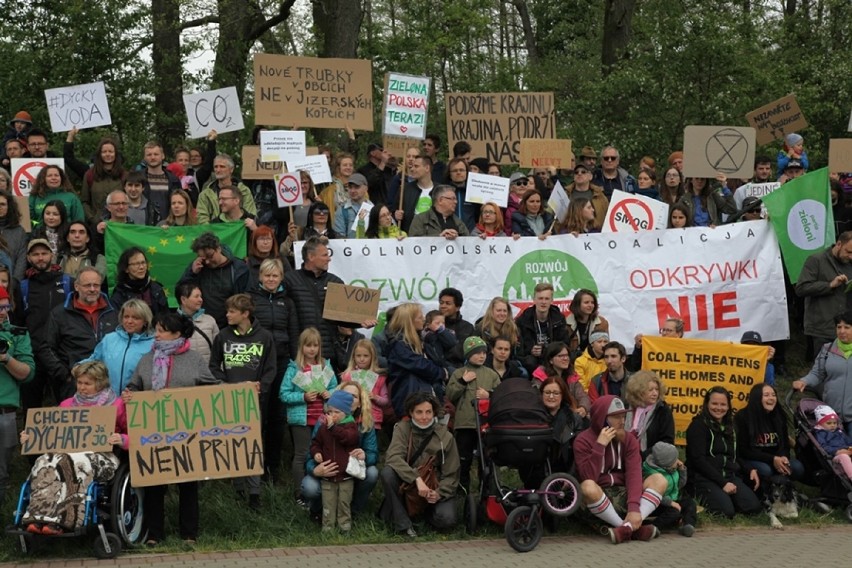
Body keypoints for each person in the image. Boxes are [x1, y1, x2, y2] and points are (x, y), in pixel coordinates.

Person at [124, 311, 218, 546]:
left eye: (161, 330)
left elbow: (213, 388)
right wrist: (129, 394)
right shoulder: (147, 359)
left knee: (188, 484)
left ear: (176, 333)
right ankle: (155, 534)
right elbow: (134, 385)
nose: (156, 334)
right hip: (153, 432)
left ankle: (189, 533)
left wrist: (242, 389)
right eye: (156, 329)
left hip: (187, 433)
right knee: (155, 485)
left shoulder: (195, 359)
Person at [19, 361, 125, 535]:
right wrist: (31, 437)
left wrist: (120, 438)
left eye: (87, 384)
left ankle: (65, 519)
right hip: (67, 453)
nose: (82, 387)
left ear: (100, 383)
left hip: (102, 456)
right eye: (80, 383)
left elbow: (132, 434)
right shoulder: (67, 405)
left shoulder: (117, 405)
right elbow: (51, 434)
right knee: (45, 461)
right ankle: (37, 516)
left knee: (75, 462)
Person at [209, 293, 277, 509]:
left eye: (232, 311)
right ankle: (238, 489)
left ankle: (254, 492)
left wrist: (261, 386)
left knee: (253, 443)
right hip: (230, 398)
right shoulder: (222, 337)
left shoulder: (264, 337)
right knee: (233, 441)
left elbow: (270, 368)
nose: (227, 315)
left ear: (245, 314)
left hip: (254, 400)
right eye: (227, 310)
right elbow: (213, 366)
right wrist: (224, 384)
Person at [574, 395, 665, 543]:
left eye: (624, 416)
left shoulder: (629, 439)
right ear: (602, 418)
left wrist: (634, 508)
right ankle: (631, 529)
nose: (622, 421)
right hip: (598, 496)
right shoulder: (583, 440)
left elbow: (634, 474)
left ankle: (627, 528)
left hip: (623, 492)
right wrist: (599, 446)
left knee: (659, 480)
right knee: (587, 486)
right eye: (616, 417)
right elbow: (588, 477)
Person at [379, 391, 459, 537]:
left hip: (434, 486)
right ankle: (404, 525)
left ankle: (423, 514)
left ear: (434, 413)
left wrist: (439, 493)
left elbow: (452, 473)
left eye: (428, 412)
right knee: (387, 472)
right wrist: (416, 479)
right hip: (409, 485)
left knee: (446, 520)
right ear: (411, 413)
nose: (424, 417)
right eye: (419, 412)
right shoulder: (402, 428)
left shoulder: (446, 436)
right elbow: (393, 457)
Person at [283, 237, 373, 362]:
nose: (329, 258)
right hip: (300, 355)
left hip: (329, 355)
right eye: (325, 255)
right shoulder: (290, 280)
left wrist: (361, 321)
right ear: (311, 256)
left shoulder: (335, 282)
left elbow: (343, 317)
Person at [303, 381, 380, 520]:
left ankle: (353, 511)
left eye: (354, 396)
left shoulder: (365, 422)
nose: (349, 399)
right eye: (345, 394)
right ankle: (318, 511)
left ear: (360, 403)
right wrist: (314, 469)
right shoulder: (324, 421)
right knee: (310, 486)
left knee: (372, 473)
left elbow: (373, 454)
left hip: (351, 472)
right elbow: (310, 451)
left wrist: (365, 456)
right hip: (328, 473)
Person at [280, 327, 338, 507]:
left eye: (315, 345)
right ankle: (299, 494)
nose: (312, 349)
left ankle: (321, 491)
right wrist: (303, 397)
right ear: (301, 347)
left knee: (322, 454)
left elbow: (336, 387)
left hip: (323, 419)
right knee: (302, 455)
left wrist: (329, 393)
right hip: (301, 420)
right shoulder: (294, 368)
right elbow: (283, 394)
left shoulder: (325, 366)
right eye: (308, 345)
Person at [42, 267, 118, 401]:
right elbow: (47, 348)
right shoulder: (60, 314)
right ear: (76, 286)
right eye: (87, 285)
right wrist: (66, 375)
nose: (93, 289)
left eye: (96, 285)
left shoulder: (114, 312)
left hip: (109, 384)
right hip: (74, 386)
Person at [685, 386, 762, 518]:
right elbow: (698, 460)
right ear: (707, 404)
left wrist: (750, 469)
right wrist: (723, 483)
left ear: (728, 407)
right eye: (714, 403)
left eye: (723, 404)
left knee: (753, 508)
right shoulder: (697, 426)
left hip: (729, 476)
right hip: (704, 478)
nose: (718, 408)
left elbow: (735, 456)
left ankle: (727, 499)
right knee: (726, 512)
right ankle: (698, 499)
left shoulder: (731, 426)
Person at [446, 337, 501, 492]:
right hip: (465, 424)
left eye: (484, 352)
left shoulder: (491, 374)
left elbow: (500, 396)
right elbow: (450, 394)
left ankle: (486, 489)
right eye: (477, 353)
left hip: (485, 424)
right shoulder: (459, 373)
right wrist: (463, 381)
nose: (482, 356)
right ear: (468, 354)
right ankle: (462, 489)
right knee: (464, 458)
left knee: (486, 458)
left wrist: (489, 394)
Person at [0, 284, 35, 505]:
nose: (3, 312)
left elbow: (28, 374)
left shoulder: (17, 333)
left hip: (6, 413)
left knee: (1, 474)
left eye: (5, 307)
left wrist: (6, 359)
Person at [793, 311, 852, 437]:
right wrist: (804, 381)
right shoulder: (827, 349)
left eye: (847, 327)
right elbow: (817, 373)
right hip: (831, 416)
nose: (842, 331)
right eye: (839, 327)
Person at [309, 389, 360, 532]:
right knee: (328, 503)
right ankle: (327, 528)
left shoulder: (351, 427)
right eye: (330, 412)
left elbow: (347, 438)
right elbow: (315, 443)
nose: (332, 415)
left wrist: (333, 428)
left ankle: (345, 527)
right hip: (328, 476)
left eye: (336, 412)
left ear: (346, 413)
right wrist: (316, 453)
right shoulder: (324, 428)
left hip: (345, 476)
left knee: (344, 503)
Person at [384, 303, 448, 419]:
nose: (424, 318)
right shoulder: (399, 345)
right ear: (410, 321)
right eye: (419, 317)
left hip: (424, 400)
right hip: (410, 402)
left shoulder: (420, 341)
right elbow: (421, 365)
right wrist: (442, 373)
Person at [177, 231, 251, 329]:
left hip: (231, 326)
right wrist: (192, 273)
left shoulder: (239, 268)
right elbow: (181, 293)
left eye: (210, 256)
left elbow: (247, 297)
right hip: (203, 325)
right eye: (203, 258)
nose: (207, 261)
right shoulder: (197, 267)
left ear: (218, 249)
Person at [79, 299, 154, 395]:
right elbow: (95, 360)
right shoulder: (109, 339)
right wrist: (78, 366)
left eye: (135, 318)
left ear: (145, 321)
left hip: (137, 401)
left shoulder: (154, 344)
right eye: (126, 317)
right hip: (108, 400)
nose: (129, 321)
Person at [795, 232, 852, 355]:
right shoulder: (816, 260)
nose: (851, 256)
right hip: (822, 328)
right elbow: (801, 288)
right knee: (822, 370)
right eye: (848, 252)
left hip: (846, 329)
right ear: (838, 244)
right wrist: (829, 285)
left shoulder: (850, 263)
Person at [735, 383, 804, 482]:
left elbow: (785, 444)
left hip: (776, 458)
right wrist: (772, 459)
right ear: (756, 398)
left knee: (797, 467)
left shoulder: (779, 416)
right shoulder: (743, 417)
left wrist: (784, 457)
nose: (771, 398)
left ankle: (784, 488)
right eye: (766, 395)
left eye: (773, 395)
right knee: (766, 470)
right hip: (755, 459)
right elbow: (744, 450)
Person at [641, 442, 697, 537]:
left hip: (671, 500)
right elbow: (652, 494)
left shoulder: (671, 469)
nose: (677, 461)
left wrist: (682, 470)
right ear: (666, 462)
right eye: (674, 460)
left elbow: (680, 484)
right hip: (657, 503)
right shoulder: (652, 473)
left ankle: (688, 524)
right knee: (674, 512)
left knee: (690, 503)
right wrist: (670, 503)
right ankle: (653, 527)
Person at [516, 282, 572, 374]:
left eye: (547, 299)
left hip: (552, 356)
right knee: (529, 361)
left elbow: (564, 343)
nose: (543, 302)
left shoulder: (559, 318)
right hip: (532, 360)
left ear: (551, 300)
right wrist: (531, 350)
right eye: (540, 298)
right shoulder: (523, 319)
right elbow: (519, 347)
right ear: (534, 300)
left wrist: (545, 350)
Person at [74, 135, 126, 224]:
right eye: (104, 152)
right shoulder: (90, 175)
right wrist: (92, 218)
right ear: (99, 154)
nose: (108, 154)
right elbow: (85, 201)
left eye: (111, 151)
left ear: (116, 154)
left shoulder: (124, 175)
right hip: (97, 223)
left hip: (119, 223)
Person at [341, 339, 390, 432]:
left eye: (366, 356)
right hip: (351, 420)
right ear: (353, 357)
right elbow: (340, 397)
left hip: (373, 421)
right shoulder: (347, 376)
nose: (362, 359)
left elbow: (386, 401)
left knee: (370, 446)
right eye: (358, 355)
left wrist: (375, 397)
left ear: (372, 357)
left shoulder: (379, 378)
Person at [531, 341, 590, 418]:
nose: (565, 358)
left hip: (571, 415)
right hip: (548, 416)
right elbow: (538, 400)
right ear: (551, 360)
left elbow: (582, 396)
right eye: (561, 356)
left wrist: (583, 408)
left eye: (567, 355)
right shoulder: (540, 377)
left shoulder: (572, 375)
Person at [623, 370, 674, 458]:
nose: (655, 393)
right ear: (639, 391)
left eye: (657, 389)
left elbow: (667, 441)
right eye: (650, 390)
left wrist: (644, 455)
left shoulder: (662, 410)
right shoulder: (627, 407)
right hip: (625, 455)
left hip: (652, 459)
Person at [109, 247, 169, 316]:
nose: (141, 267)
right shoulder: (119, 294)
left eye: (143, 263)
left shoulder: (156, 289)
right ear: (126, 269)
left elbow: (166, 319)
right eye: (136, 264)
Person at [175, 282, 219, 364]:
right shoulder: (172, 323)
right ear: (183, 300)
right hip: (183, 373)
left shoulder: (210, 320)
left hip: (208, 373)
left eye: (201, 296)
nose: (201, 300)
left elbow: (219, 351)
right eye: (196, 296)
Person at [138, 141, 182, 219]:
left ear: (162, 156)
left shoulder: (174, 180)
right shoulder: (138, 179)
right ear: (144, 158)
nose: (153, 157)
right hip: (144, 224)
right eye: (149, 155)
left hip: (169, 224)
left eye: (156, 154)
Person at [812, 404, 852, 480]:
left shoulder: (839, 432)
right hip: (834, 456)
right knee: (844, 457)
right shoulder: (820, 433)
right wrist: (836, 451)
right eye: (829, 423)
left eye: (834, 423)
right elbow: (823, 447)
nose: (833, 425)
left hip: (847, 451)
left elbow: (848, 441)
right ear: (820, 423)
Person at [437, 287, 475, 367]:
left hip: (459, 370)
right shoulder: (432, 325)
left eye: (448, 303)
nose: (443, 306)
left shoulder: (467, 327)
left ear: (457, 307)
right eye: (441, 302)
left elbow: (463, 353)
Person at [564, 163, 609, 230]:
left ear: (590, 176)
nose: (579, 174)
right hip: (571, 236)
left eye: (583, 172)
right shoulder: (565, 194)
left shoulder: (600, 195)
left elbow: (608, 216)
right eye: (576, 172)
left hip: (596, 235)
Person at [566, 289, 609, 355]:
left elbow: (607, 347)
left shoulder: (602, 322)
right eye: (586, 302)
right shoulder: (566, 324)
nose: (590, 305)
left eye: (592, 302)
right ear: (577, 304)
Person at [333, 173, 373, 238]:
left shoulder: (374, 209)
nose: (352, 190)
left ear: (366, 188)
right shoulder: (342, 210)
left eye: (357, 187)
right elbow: (339, 238)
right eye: (350, 187)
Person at [0, 190, 29, 279]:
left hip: (11, 284)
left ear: (9, 207)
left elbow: (22, 259)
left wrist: (15, 281)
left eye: (3, 204)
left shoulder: (19, 232)